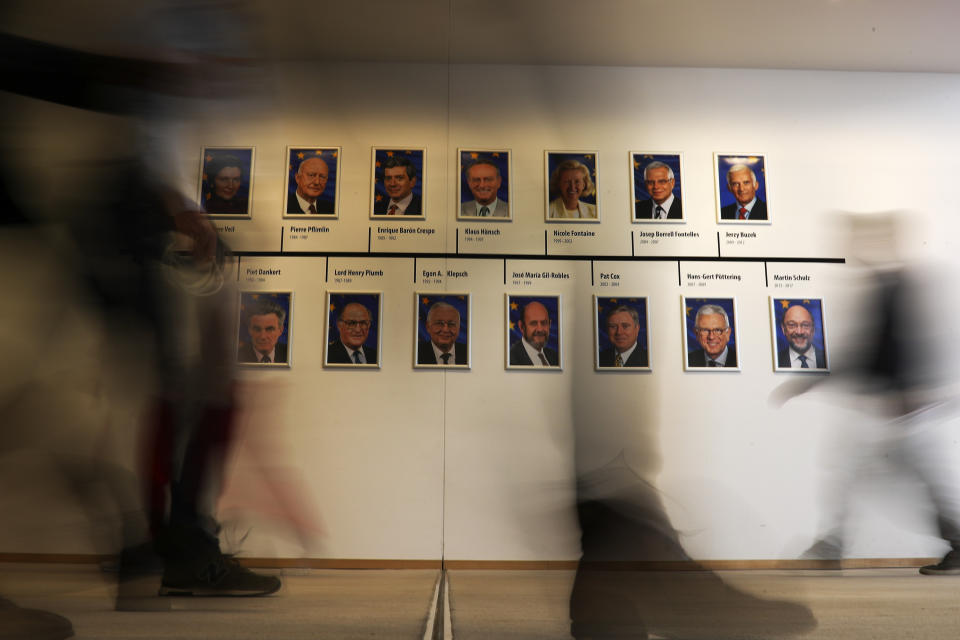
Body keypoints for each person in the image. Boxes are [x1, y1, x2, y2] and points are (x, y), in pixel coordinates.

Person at [238, 298, 288, 364]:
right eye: (257, 329)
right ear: (249, 330)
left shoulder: (289, 354)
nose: (263, 336)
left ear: (280, 330)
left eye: (270, 329)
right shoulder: (237, 356)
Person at [509, 300, 559, 367]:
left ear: (549, 324)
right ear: (521, 327)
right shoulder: (511, 359)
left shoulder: (555, 356)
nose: (540, 329)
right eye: (533, 323)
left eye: (544, 323)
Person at [777, 304, 826, 369]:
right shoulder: (776, 360)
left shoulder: (826, 358)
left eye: (805, 325)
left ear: (813, 329)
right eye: (792, 325)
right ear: (783, 329)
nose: (799, 332)